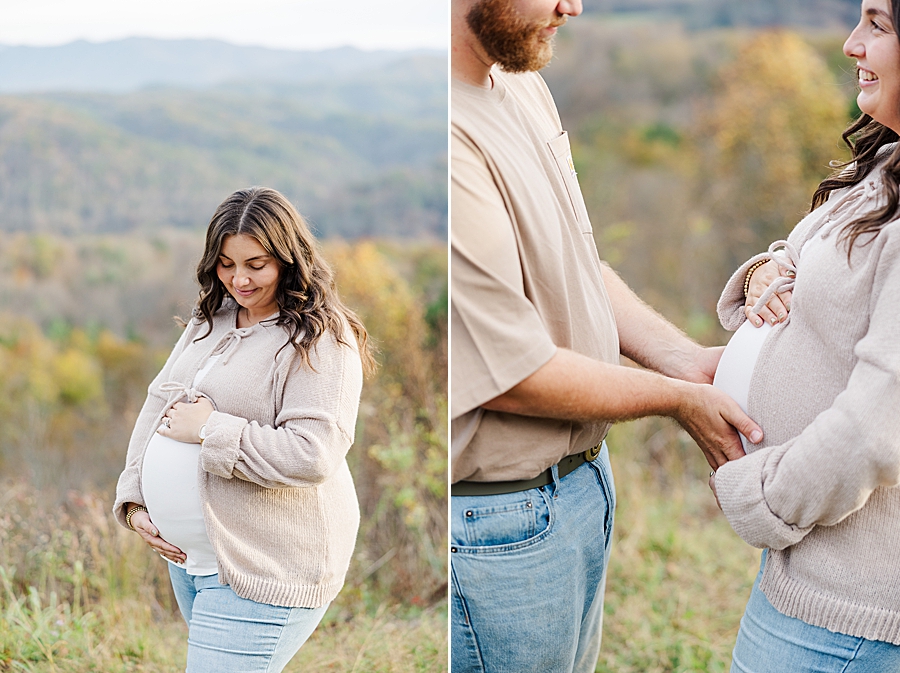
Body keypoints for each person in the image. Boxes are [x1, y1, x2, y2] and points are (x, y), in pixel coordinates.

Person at [449, 0, 764, 671]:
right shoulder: (446, 139)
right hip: (501, 523)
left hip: (581, 488)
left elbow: (576, 261)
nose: (574, 6)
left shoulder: (522, 82)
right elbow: (516, 373)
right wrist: (676, 399)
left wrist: (684, 361)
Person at [709, 1, 900, 670]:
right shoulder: (887, 163)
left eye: (877, 25)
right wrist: (768, 270)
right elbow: (804, 256)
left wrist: (758, 496)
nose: (852, 44)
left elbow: (877, 425)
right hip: (813, 570)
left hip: (851, 600)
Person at [113, 187, 373, 672]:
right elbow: (157, 403)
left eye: (256, 264)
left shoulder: (320, 337)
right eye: (226, 264)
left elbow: (312, 453)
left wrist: (211, 429)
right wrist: (134, 499)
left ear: (289, 258)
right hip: (192, 562)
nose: (239, 279)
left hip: (264, 565)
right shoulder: (211, 319)